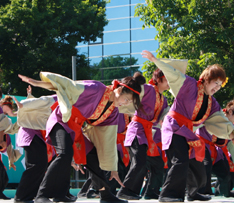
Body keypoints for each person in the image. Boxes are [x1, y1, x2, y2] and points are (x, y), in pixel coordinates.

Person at [18, 71, 145, 203]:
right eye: (127, 99)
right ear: (119, 89)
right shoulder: (96, 88)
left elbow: (108, 139)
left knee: (94, 159)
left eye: (129, 102)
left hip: (76, 128)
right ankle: (42, 195)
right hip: (61, 120)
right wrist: (37, 83)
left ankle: (106, 196)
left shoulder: (112, 112)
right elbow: (68, 86)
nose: (126, 103)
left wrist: (112, 168)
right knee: (65, 153)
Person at [141, 50, 234, 202]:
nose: (217, 87)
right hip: (174, 127)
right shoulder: (189, 84)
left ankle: (193, 192)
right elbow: (174, 74)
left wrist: (232, 136)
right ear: (206, 79)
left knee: (197, 163)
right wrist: (155, 60)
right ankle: (169, 194)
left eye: (220, 85)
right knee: (180, 161)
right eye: (216, 83)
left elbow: (220, 120)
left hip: (188, 133)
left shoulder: (212, 103)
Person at [116, 69, 169, 200]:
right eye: (168, 79)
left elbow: (165, 118)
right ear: (159, 79)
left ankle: (152, 191)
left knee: (158, 164)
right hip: (137, 130)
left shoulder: (165, 100)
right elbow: (132, 92)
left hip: (149, 135)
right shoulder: (147, 89)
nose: (170, 83)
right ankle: (126, 190)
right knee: (139, 162)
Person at [197, 100, 234, 198]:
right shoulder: (216, 114)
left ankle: (225, 193)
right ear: (231, 112)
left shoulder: (230, 127)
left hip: (214, 150)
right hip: (200, 144)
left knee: (224, 171)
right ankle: (202, 192)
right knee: (206, 165)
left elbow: (233, 145)